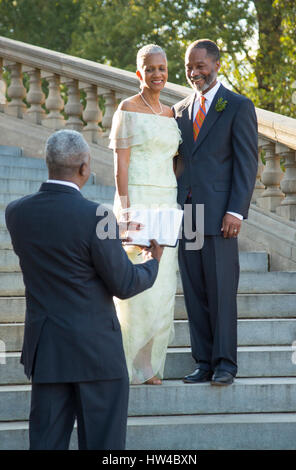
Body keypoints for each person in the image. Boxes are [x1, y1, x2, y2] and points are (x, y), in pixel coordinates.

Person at [5, 129, 164, 450]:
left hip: (48, 353)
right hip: (97, 356)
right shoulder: (98, 216)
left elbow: (62, 243)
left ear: (49, 164)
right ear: (84, 167)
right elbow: (124, 283)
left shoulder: (16, 212)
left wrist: (106, 240)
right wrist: (152, 262)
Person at [173, 39, 258, 386]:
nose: (194, 73)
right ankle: (204, 361)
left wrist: (236, 212)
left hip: (222, 215)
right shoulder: (178, 110)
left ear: (217, 65)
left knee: (222, 292)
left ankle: (225, 364)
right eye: (189, 67)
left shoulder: (237, 106)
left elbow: (247, 162)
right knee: (195, 291)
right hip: (187, 216)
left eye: (200, 66)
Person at [109, 44, 182, 385]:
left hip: (167, 202)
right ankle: (124, 363)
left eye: (162, 68)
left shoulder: (171, 114)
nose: (157, 74)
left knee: (163, 286)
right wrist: (124, 209)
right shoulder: (126, 109)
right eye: (150, 68)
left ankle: (149, 366)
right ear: (139, 72)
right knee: (135, 284)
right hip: (137, 200)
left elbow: (175, 162)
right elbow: (120, 164)